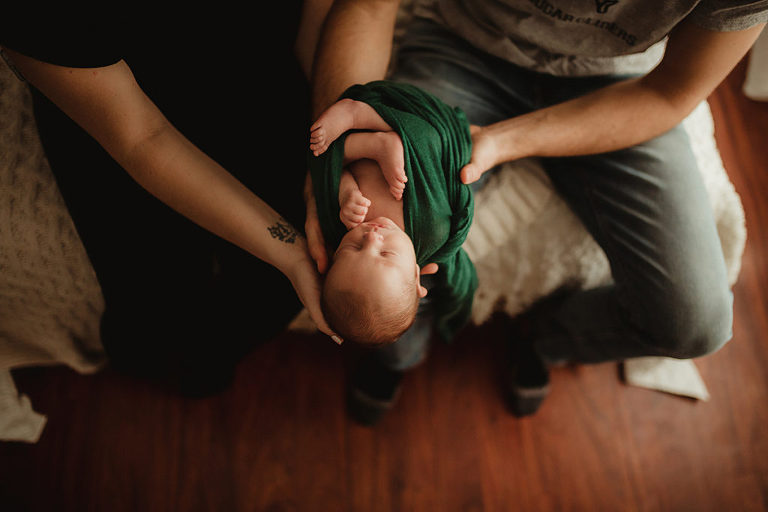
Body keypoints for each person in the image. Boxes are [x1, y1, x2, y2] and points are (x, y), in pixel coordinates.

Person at [298, 0, 768, 421]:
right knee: (387, 262)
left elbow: (670, 93)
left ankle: (544, 337)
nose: (373, 234)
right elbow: (368, 7)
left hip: (623, 86)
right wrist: (330, 162)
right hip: (465, 43)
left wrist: (504, 141)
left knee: (695, 325)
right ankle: (396, 350)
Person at [0, 10, 339, 395]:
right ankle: (172, 371)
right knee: (152, 312)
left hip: (255, 74)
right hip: (112, 104)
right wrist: (289, 251)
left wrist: (325, 153)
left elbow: (321, 11)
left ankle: (208, 363)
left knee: (276, 288)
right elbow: (142, 139)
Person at [307, 80, 477, 348]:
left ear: (335, 254)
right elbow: (446, 180)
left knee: (321, 153)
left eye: (353, 248)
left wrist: (345, 193)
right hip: (413, 136)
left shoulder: (343, 222)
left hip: (363, 141)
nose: (372, 238)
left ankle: (358, 118)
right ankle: (371, 125)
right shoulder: (432, 233)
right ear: (417, 274)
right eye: (386, 255)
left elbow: (328, 176)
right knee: (429, 141)